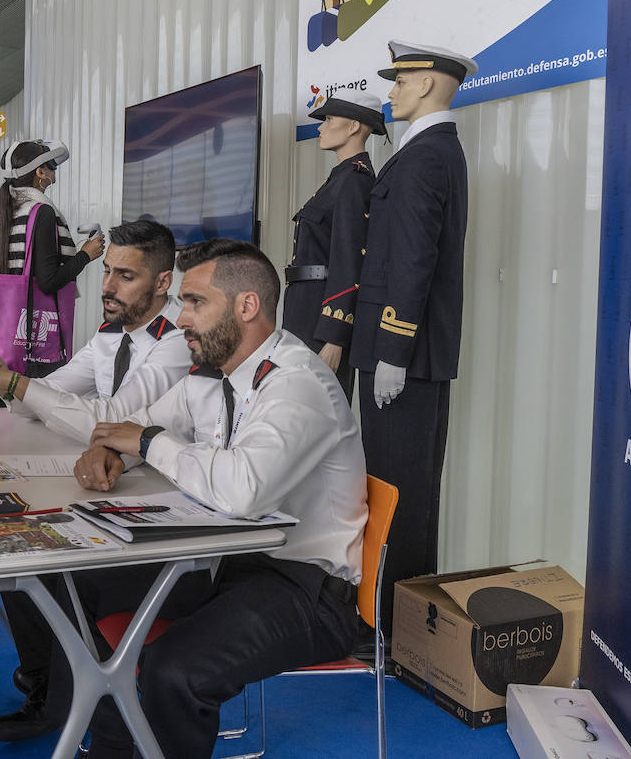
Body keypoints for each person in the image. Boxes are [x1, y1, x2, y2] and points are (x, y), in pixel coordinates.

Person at [46, 238, 368, 759]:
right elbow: (146, 425)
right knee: (77, 585)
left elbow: (241, 489)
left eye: (195, 302)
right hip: (229, 560)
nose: (179, 320)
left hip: (307, 586)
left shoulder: (299, 384)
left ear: (247, 306)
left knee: (176, 669)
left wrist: (145, 444)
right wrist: (114, 453)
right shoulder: (215, 377)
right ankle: (112, 746)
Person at [0, 219, 191, 742]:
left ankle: (66, 699)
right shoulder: (108, 336)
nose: (106, 287)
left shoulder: (174, 344)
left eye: (125, 276)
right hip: (113, 484)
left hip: (165, 504)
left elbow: (109, 417)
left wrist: (14, 384)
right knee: (12, 541)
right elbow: (47, 399)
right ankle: (45, 684)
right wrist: (11, 381)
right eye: (106, 272)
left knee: (56, 568)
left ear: (163, 283)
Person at [351, 40, 475, 634]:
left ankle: (394, 630)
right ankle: (399, 626)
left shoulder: (426, 156)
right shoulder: (427, 151)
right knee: (399, 488)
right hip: (401, 351)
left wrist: (393, 350)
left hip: (404, 355)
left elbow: (413, 260)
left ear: (426, 84)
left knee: (399, 494)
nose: (391, 92)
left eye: (400, 82)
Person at [282, 91, 382, 401]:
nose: (321, 127)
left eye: (328, 120)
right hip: (305, 311)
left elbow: (350, 261)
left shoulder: (354, 181)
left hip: (320, 321)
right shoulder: (339, 178)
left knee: (319, 415)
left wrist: (335, 337)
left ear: (354, 126)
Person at [0, 140, 103, 381]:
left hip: (1, 334)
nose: (54, 176)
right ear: (40, 172)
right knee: (31, 414)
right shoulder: (41, 211)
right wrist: (86, 255)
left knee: (0, 416)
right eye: (52, 167)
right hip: (34, 339)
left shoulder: (1, 212)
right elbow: (48, 281)